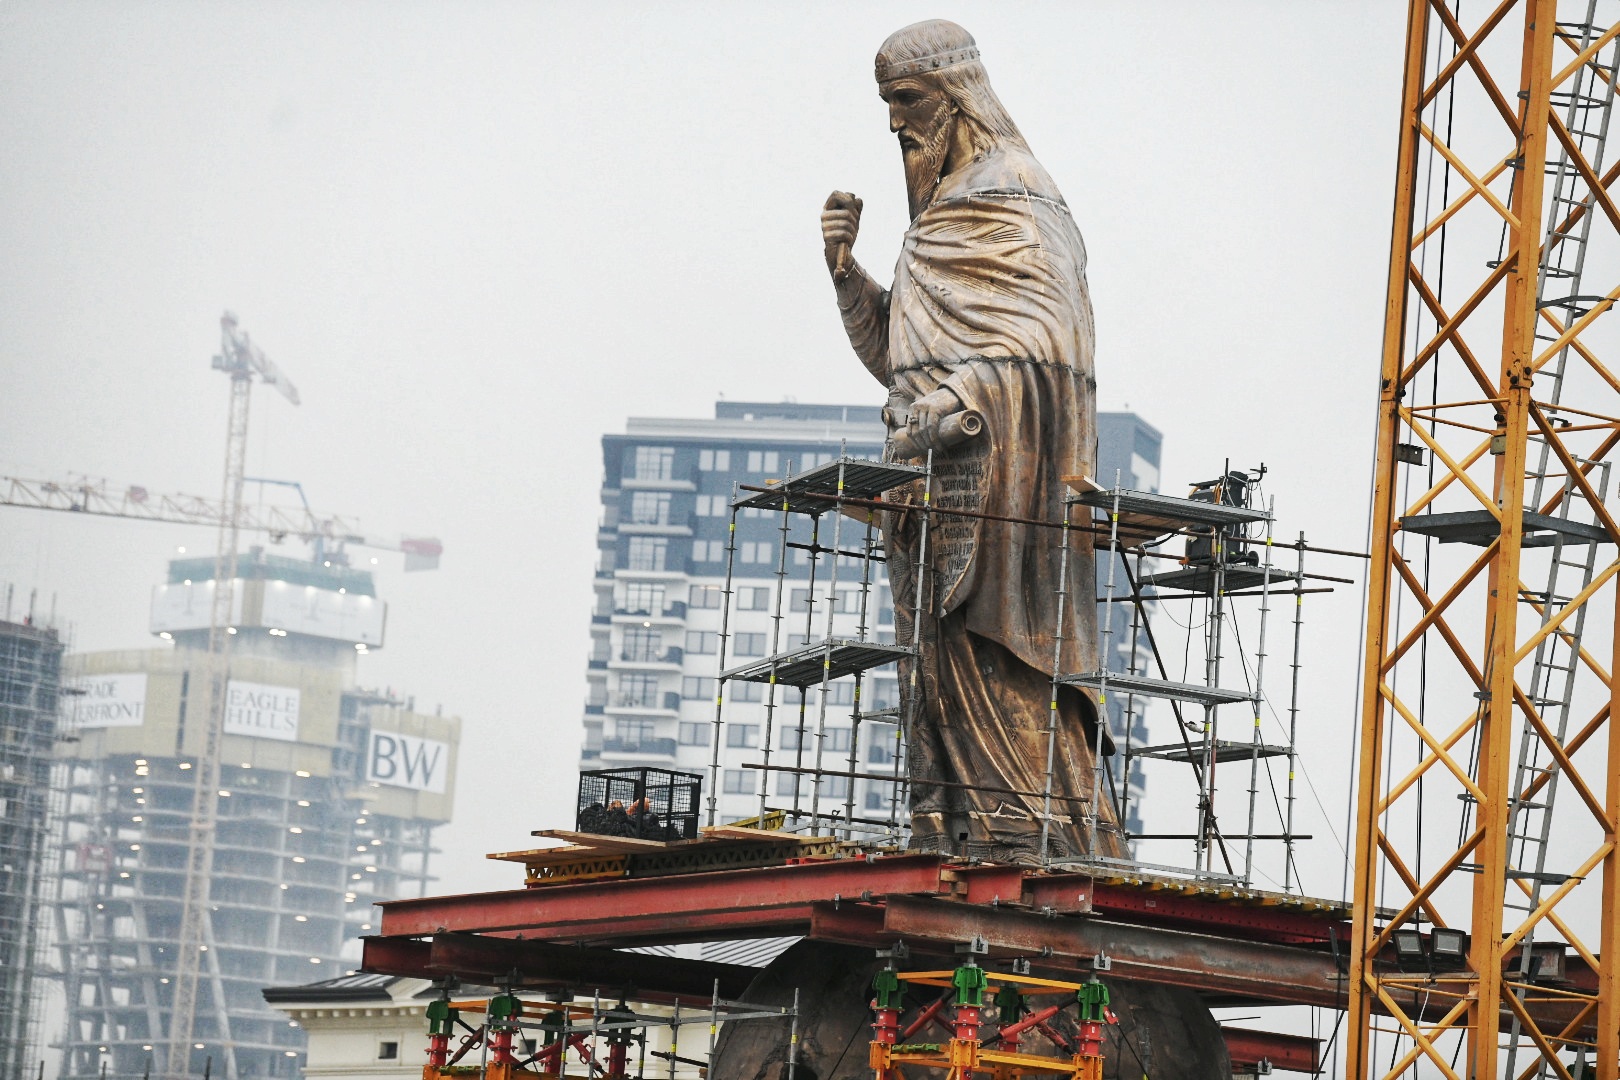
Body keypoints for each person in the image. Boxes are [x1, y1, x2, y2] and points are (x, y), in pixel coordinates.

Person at [821, 19, 1123, 863]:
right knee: (933, 672)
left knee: (997, 671)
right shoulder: (941, 215)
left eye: (906, 103)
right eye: (885, 107)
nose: (894, 126)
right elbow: (901, 358)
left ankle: (1029, 828)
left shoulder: (1013, 190)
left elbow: (1044, 343)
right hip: (928, 487)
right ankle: (951, 823)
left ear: (955, 97)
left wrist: (955, 403)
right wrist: (848, 274)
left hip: (998, 494)